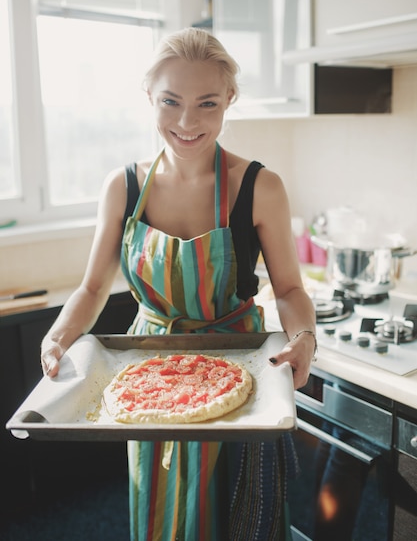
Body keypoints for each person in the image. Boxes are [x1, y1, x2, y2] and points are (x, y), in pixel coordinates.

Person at [41, 27, 317, 541]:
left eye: (207, 104)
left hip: (243, 373)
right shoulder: (122, 186)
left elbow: (290, 290)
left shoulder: (259, 187)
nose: (188, 123)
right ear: (149, 97)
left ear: (229, 100)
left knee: (239, 521)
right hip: (153, 377)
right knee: (163, 518)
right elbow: (92, 289)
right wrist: (58, 336)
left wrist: (304, 338)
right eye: (170, 102)